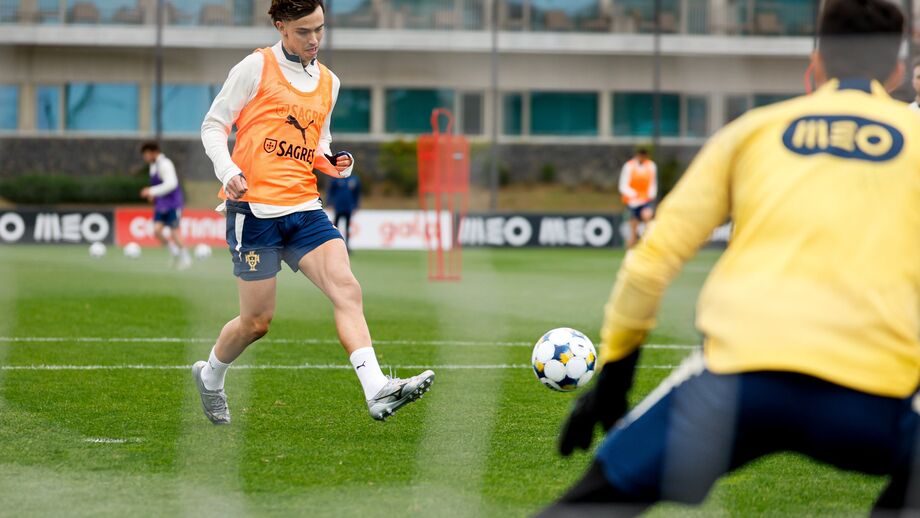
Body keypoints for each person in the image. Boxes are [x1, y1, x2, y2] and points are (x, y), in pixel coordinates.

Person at [542, 0, 920, 515]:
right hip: (877, 398)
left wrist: (614, 379)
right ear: (898, 72)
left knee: (591, 502)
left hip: (738, 385)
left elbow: (651, 261)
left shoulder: (753, 131)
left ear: (816, 65)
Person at [196, 0, 433, 425]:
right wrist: (228, 169)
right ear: (281, 26)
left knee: (347, 288)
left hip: (305, 208)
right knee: (256, 322)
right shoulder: (254, 68)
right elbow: (213, 125)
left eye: (320, 30)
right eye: (304, 31)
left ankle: (376, 388)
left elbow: (318, 144)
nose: (314, 40)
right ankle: (211, 376)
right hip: (254, 212)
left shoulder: (329, 82)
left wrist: (335, 162)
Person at [139, 141, 191, 270]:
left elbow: (171, 184)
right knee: (157, 230)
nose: (145, 157)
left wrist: (151, 191)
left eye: (146, 154)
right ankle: (173, 251)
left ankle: (185, 258)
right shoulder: (153, 166)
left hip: (173, 203)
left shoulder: (165, 164)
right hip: (161, 203)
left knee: (174, 232)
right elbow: (160, 185)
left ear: (153, 152)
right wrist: (155, 195)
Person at [617, 148, 657, 248]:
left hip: (645, 200)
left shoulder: (651, 166)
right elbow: (623, 185)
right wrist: (634, 195)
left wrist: (650, 196)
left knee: (647, 216)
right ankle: (632, 244)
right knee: (633, 227)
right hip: (632, 201)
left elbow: (653, 183)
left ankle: (649, 242)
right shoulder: (629, 166)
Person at [326, 174, 360, 250]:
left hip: (348, 207)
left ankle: (347, 246)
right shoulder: (336, 177)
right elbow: (331, 191)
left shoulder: (354, 178)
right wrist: (329, 203)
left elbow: (357, 193)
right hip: (338, 207)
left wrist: (356, 206)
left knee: (347, 227)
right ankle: (334, 245)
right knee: (335, 227)